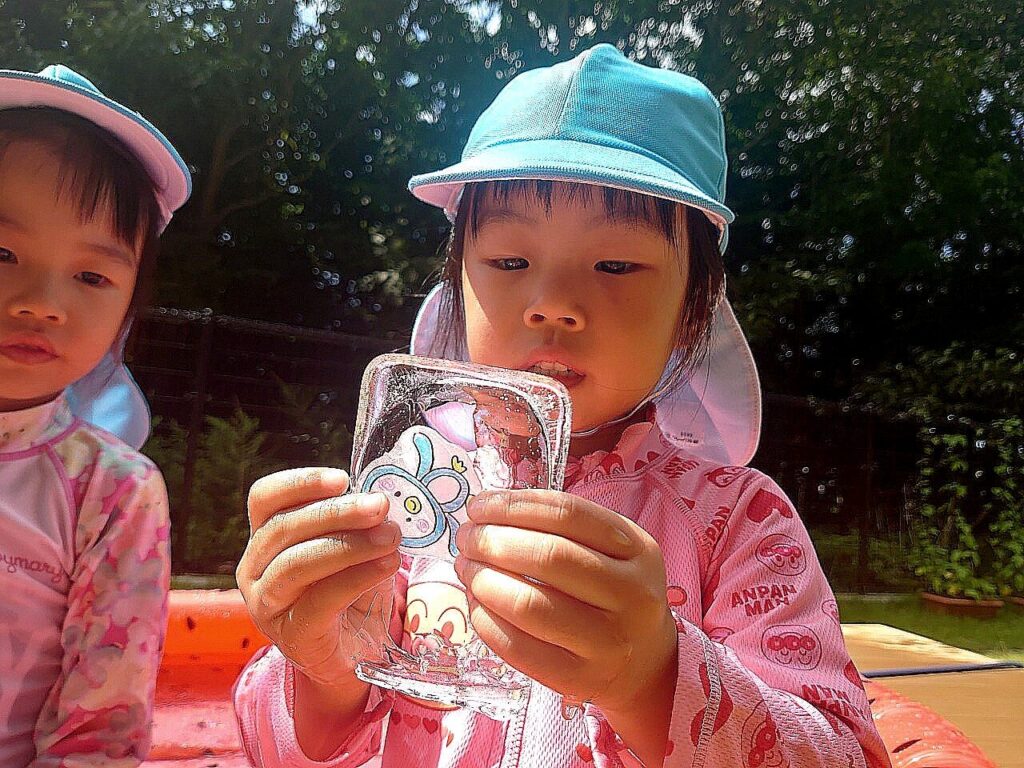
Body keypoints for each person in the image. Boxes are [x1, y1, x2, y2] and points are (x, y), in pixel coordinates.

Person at [233, 44, 891, 768]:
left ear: (693, 314)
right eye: (509, 262)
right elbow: (279, 747)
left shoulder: (738, 522)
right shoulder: (410, 492)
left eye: (616, 265)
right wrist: (321, 670)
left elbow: (846, 755)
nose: (551, 304)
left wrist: (655, 676)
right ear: (457, 287)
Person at [0, 65, 190, 765]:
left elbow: (99, 730)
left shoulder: (112, 493)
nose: (42, 302)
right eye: (2, 251)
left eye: (90, 276)